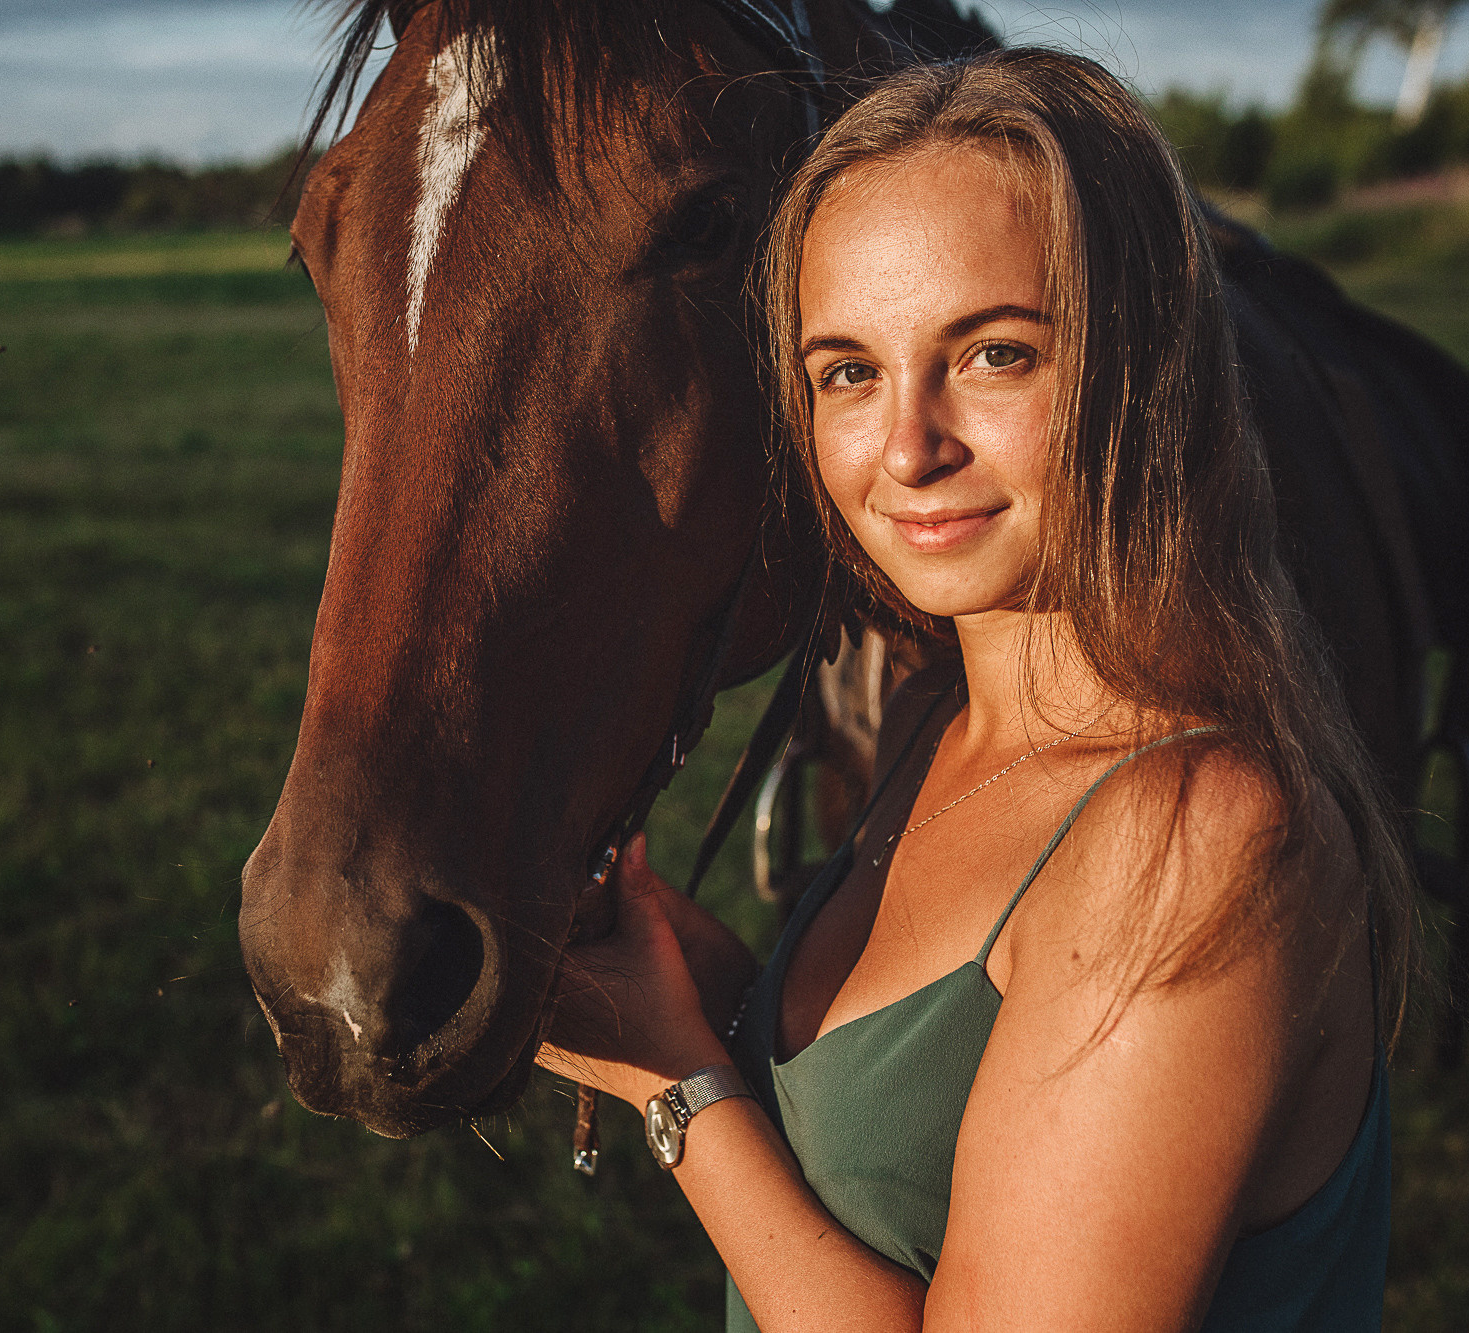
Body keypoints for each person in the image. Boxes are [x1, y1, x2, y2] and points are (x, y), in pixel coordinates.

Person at [536, 48, 1414, 1333]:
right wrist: (661, 960)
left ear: (1143, 363)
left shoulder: (1197, 835)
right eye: (847, 371)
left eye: (992, 354)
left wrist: (669, 1083)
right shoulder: (933, 718)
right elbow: (893, 1105)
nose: (907, 448)